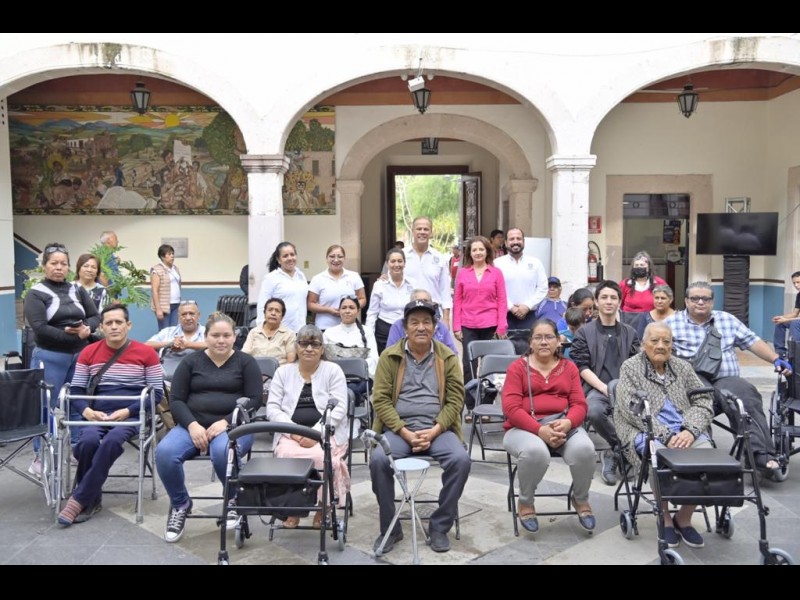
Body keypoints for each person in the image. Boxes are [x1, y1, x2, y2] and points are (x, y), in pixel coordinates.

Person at [369, 300, 470, 554]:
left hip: (438, 429)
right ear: (405, 327)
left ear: (435, 327)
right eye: (414, 322)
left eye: (427, 322)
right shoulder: (389, 356)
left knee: (460, 460)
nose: (421, 327)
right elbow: (380, 400)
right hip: (399, 430)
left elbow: (456, 400)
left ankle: (439, 525)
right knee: (378, 460)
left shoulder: (447, 357)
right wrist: (403, 431)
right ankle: (390, 528)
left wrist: (436, 429)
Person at [665, 281, 793, 479]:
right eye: (695, 298)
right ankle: (702, 454)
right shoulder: (671, 324)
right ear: (686, 301)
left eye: (705, 298)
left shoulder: (727, 320)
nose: (700, 302)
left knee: (746, 396)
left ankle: (760, 454)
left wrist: (776, 359)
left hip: (727, 379)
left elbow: (752, 342)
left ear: (712, 301)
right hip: (692, 380)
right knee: (696, 401)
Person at [156, 312, 263, 543]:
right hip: (192, 426)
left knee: (223, 451)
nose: (221, 340)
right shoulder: (190, 362)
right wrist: (192, 425)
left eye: (226, 335)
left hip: (235, 427)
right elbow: (176, 400)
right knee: (165, 453)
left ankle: (233, 499)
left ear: (235, 337)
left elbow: (255, 399)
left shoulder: (246, 362)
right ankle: (180, 504)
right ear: (206, 337)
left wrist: (226, 422)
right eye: (215, 335)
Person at [56, 304, 164, 526]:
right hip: (97, 413)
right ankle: (91, 497)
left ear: (128, 325)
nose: (114, 327)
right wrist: (87, 411)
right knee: (87, 442)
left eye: (119, 322)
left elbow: (156, 394)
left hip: (132, 414)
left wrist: (127, 411)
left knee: (112, 441)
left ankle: (81, 499)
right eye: (109, 323)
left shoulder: (147, 353)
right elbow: (76, 389)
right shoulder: (89, 352)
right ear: (102, 327)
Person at [614, 322, 715, 549]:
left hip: (685, 429)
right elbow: (631, 409)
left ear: (672, 345)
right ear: (643, 344)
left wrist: (691, 430)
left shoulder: (682, 367)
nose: (661, 346)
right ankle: (665, 517)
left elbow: (703, 399)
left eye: (666, 341)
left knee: (707, 460)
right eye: (655, 341)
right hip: (642, 428)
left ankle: (684, 517)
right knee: (659, 459)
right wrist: (665, 436)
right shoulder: (630, 367)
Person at [502, 319, 596, 534]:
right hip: (523, 427)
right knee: (535, 452)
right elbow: (511, 408)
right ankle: (526, 502)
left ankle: (580, 498)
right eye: (538, 337)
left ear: (558, 341)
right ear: (530, 342)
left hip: (563, 425)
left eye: (549, 337)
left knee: (585, 450)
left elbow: (580, 404)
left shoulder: (569, 367)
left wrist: (568, 422)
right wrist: (540, 430)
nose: (544, 342)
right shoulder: (518, 368)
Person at [24, 243, 101, 473]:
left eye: (63, 263)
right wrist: (69, 336)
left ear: (69, 267)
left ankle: (76, 449)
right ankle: (40, 456)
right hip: (50, 356)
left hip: (79, 357)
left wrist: (87, 328)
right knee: (44, 406)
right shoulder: (36, 293)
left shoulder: (77, 289)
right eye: (54, 263)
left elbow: (95, 315)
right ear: (44, 266)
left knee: (77, 403)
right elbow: (39, 327)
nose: (59, 267)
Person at [267, 325, 350, 528]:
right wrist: (294, 433)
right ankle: (293, 508)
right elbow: (272, 408)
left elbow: (339, 408)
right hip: (290, 433)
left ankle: (323, 507)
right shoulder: (283, 372)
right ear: (296, 347)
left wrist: (316, 433)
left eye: (315, 344)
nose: (309, 349)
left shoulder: (333, 371)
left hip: (326, 432)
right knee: (286, 455)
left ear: (322, 349)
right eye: (304, 344)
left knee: (321, 457)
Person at [570, 281, 640, 486]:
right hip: (596, 388)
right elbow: (581, 366)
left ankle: (613, 454)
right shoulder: (585, 332)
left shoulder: (630, 332)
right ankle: (623, 450)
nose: (609, 302)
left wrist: (624, 389)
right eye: (604, 297)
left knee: (644, 414)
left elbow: (638, 364)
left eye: (613, 298)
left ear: (620, 302)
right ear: (596, 302)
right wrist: (604, 388)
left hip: (627, 389)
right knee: (593, 411)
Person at [453, 235, 508, 414]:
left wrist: (502, 325)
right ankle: (471, 406)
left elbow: (502, 300)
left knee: (490, 367)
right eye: (474, 250)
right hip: (468, 324)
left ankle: (486, 405)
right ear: (469, 253)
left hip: (490, 324)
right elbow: (457, 301)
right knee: (469, 366)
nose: (478, 253)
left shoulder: (496, 273)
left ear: (487, 251)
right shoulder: (463, 273)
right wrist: (456, 326)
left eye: (481, 249)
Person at [495, 228, 548, 332]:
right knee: (504, 343)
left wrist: (527, 306)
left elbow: (543, 288)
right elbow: (493, 290)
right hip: (504, 316)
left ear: (523, 242)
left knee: (530, 342)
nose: (515, 242)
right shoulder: (497, 264)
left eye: (518, 238)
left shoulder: (536, 263)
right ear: (506, 243)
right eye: (512, 239)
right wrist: (511, 307)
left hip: (529, 315)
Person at [323, 296, 379, 394]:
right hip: (334, 378)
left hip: (360, 379)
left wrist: (356, 367)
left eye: (351, 308)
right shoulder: (329, 332)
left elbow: (374, 358)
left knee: (350, 390)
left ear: (358, 311)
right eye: (344, 308)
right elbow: (323, 359)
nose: (347, 311)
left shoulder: (367, 332)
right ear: (339, 311)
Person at [403, 217, 452, 329]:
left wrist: (446, 319)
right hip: (408, 311)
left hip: (433, 312)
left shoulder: (439, 258)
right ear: (412, 230)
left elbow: (445, 291)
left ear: (431, 232)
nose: (422, 232)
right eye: (419, 229)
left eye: (426, 229)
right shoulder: (402, 256)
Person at [366, 248, 416, 354]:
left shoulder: (413, 284)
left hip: (407, 329)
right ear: (387, 264)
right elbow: (372, 313)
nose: (396, 264)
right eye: (393, 261)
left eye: (400, 261)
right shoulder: (379, 285)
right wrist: (369, 336)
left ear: (404, 263)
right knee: (387, 360)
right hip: (384, 331)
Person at [308, 245, 366, 331]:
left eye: (340, 256)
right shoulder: (317, 279)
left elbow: (362, 298)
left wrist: (349, 309)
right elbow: (310, 304)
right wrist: (328, 310)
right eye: (332, 256)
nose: (336, 260)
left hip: (349, 327)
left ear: (344, 258)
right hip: (325, 327)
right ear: (326, 258)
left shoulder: (354, 276)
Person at [256, 242, 309, 333]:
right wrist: (263, 330)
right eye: (285, 256)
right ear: (278, 259)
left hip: (300, 331)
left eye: (292, 254)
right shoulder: (271, 278)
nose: (290, 258)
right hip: (279, 332)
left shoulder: (301, 276)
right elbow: (262, 306)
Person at [386, 289, 459, 354]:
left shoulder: (441, 326)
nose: (422, 304)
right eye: (418, 301)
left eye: (425, 301)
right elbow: (390, 353)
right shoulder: (398, 326)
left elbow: (453, 353)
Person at [242, 298, 297, 365]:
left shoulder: (289, 334)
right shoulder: (254, 332)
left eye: (277, 311)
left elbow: (291, 361)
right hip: (255, 369)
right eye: (270, 310)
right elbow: (244, 355)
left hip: (279, 370)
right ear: (264, 313)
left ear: (282, 316)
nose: (273, 313)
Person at [150, 244, 182, 331]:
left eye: (173, 253)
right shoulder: (156, 270)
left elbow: (178, 284)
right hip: (164, 306)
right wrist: (158, 309)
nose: (172, 256)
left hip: (176, 304)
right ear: (162, 256)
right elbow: (155, 290)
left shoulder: (175, 268)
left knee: (174, 330)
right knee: (164, 331)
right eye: (169, 254)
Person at [772, 271, 800, 358]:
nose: (796, 285)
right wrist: (781, 317)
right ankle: (781, 353)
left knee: (795, 324)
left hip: (798, 322)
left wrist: (787, 319)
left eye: (798, 282)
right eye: (794, 283)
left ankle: (794, 354)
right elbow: (795, 314)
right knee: (780, 323)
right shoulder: (799, 295)